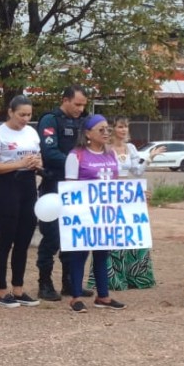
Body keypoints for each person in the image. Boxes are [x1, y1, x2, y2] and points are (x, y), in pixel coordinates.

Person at [62, 114, 126, 313]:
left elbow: (118, 182)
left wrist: (136, 195)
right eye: (101, 129)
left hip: (106, 214)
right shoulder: (76, 155)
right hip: (84, 214)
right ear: (88, 133)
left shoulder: (111, 154)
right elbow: (70, 187)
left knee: (102, 255)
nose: (106, 133)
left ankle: (103, 295)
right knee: (79, 255)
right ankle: (75, 297)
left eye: (108, 128)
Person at [0, 95, 42, 307]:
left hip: (28, 185)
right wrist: (18, 163)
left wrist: (36, 163)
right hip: (6, 186)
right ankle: (2, 290)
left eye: (28, 115)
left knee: (23, 240)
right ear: (10, 112)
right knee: (6, 240)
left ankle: (18, 288)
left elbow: (38, 157)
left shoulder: (32, 133)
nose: (25, 119)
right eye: (21, 115)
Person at [36, 86, 90, 301]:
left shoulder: (83, 122)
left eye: (83, 104)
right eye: (77, 104)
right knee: (52, 236)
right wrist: (78, 163)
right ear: (65, 100)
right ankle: (45, 282)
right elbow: (49, 152)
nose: (80, 108)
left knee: (73, 237)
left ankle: (70, 282)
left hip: (78, 188)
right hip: (54, 185)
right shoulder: (51, 120)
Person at [100, 116, 154, 290]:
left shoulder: (130, 148)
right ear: (113, 128)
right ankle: (112, 276)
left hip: (128, 194)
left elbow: (137, 171)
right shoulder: (105, 148)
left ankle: (135, 275)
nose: (124, 130)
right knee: (112, 234)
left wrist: (149, 158)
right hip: (111, 192)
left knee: (131, 233)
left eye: (126, 127)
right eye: (120, 126)